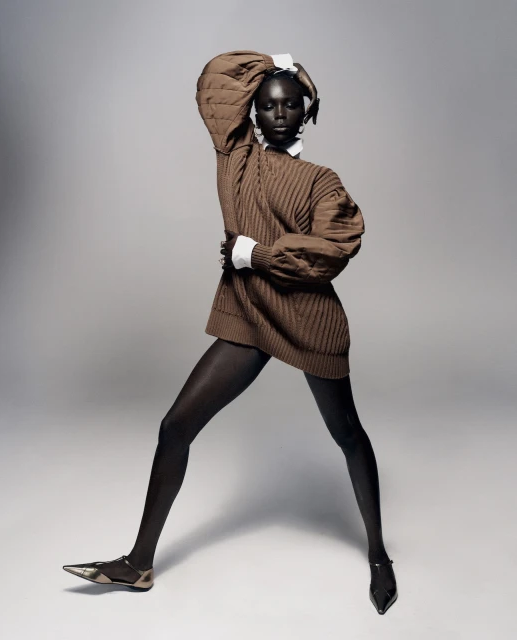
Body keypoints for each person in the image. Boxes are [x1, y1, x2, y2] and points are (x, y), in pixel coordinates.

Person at [63, 50, 397, 615]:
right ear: (254, 114)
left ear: (306, 111)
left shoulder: (322, 181)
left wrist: (254, 253)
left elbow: (332, 251)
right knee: (176, 427)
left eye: (291, 104)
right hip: (249, 315)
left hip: (310, 321)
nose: (280, 114)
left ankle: (379, 555)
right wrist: (275, 63)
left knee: (347, 435)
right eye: (268, 105)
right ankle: (139, 563)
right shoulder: (236, 157)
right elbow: (215, 86)